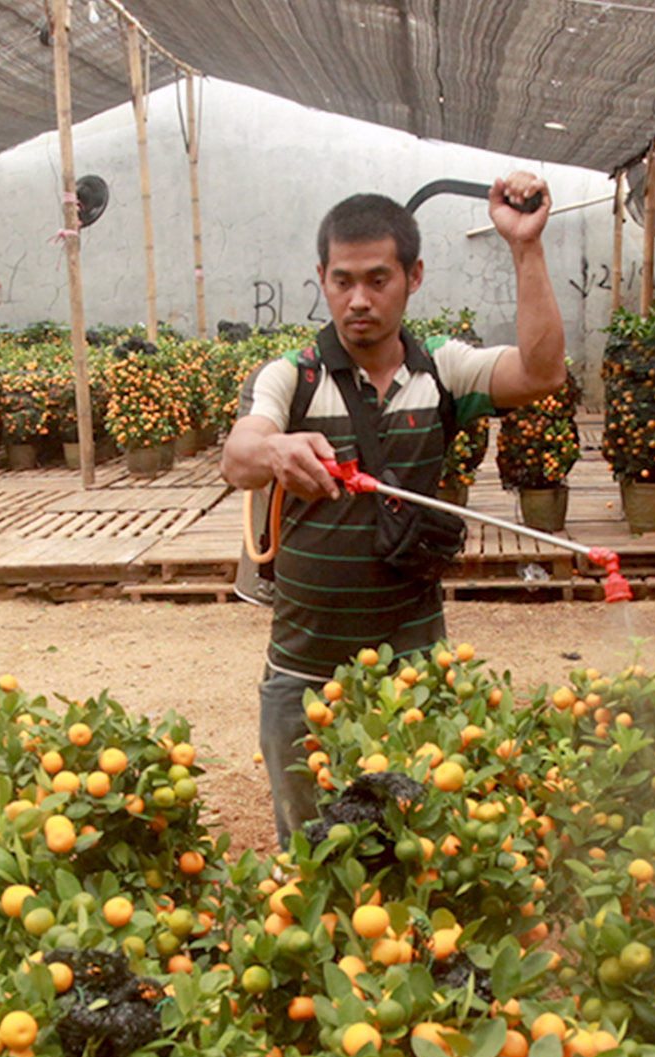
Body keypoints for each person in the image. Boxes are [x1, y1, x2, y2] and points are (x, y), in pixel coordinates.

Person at [220, 173, 566, 840]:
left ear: (414, 276)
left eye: (378, 279)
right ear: (321, 276)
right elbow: (238, 454)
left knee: (415, 845)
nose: (358, 299)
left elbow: (542, 371)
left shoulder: (443, 370)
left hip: (412, 673)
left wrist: (526, 247)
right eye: (342, 279)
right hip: (302, 673)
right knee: (310, 852)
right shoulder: (290, 376)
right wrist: (276, 452)